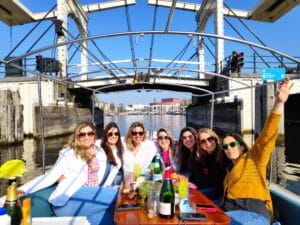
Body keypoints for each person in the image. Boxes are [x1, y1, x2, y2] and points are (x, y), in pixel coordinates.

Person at [221, 78, 293, 225]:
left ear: (241, 146)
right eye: (225, 146)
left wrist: (279, 103)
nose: (229, 148)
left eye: (232, 144)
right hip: (229, 212)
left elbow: (267, 135)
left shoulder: (253, 158)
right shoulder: (228, 172)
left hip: (252, 210)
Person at [18, 121, 118, 225]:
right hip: (67, 201)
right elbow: (49, 177)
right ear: (77, 136)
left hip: (88, 197)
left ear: (94, 135)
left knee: (107, 216)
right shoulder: (69, 154)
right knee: (117, 196)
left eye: (90, 133)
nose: (87, 137)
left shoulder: (98, 152)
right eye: (82, 134)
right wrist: (24, 189)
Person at [189, 128, 226, 202]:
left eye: (210, 139)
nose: (207, 143)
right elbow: (197, 176)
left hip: (221, 193)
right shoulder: (202, 157)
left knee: (190, 198)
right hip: (209, 189)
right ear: (200, 144)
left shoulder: (224, 154)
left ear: (215, 139)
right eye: (203, 141)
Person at [97, 122, 124, 186]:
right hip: (99, 186)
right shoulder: (99, 148)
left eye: (116, 134)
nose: (113, 136)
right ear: (105, 135)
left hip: (112, 186)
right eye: (110, 134)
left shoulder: (119, 149)